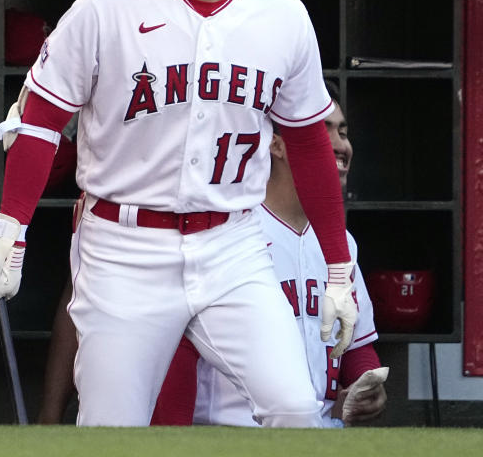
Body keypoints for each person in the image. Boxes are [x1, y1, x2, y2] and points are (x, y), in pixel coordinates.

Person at [0, 0, 357, 427]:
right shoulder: (106, 5)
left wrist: (339, 269)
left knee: (295, 407)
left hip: (233, 245)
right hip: (124, 248)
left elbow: (307, 142)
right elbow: (40, 119)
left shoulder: (283, 16)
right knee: (109, 425)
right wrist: (9, 229)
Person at [152, 85, 387, 427]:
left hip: (317, 433)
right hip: (230, 433)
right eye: (324, 130)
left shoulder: (342, 244)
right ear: (276, 145)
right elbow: (177, 355)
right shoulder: (226, 231)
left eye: (344, 132)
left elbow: (354, 347)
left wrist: (367, 386)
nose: (341, 144)